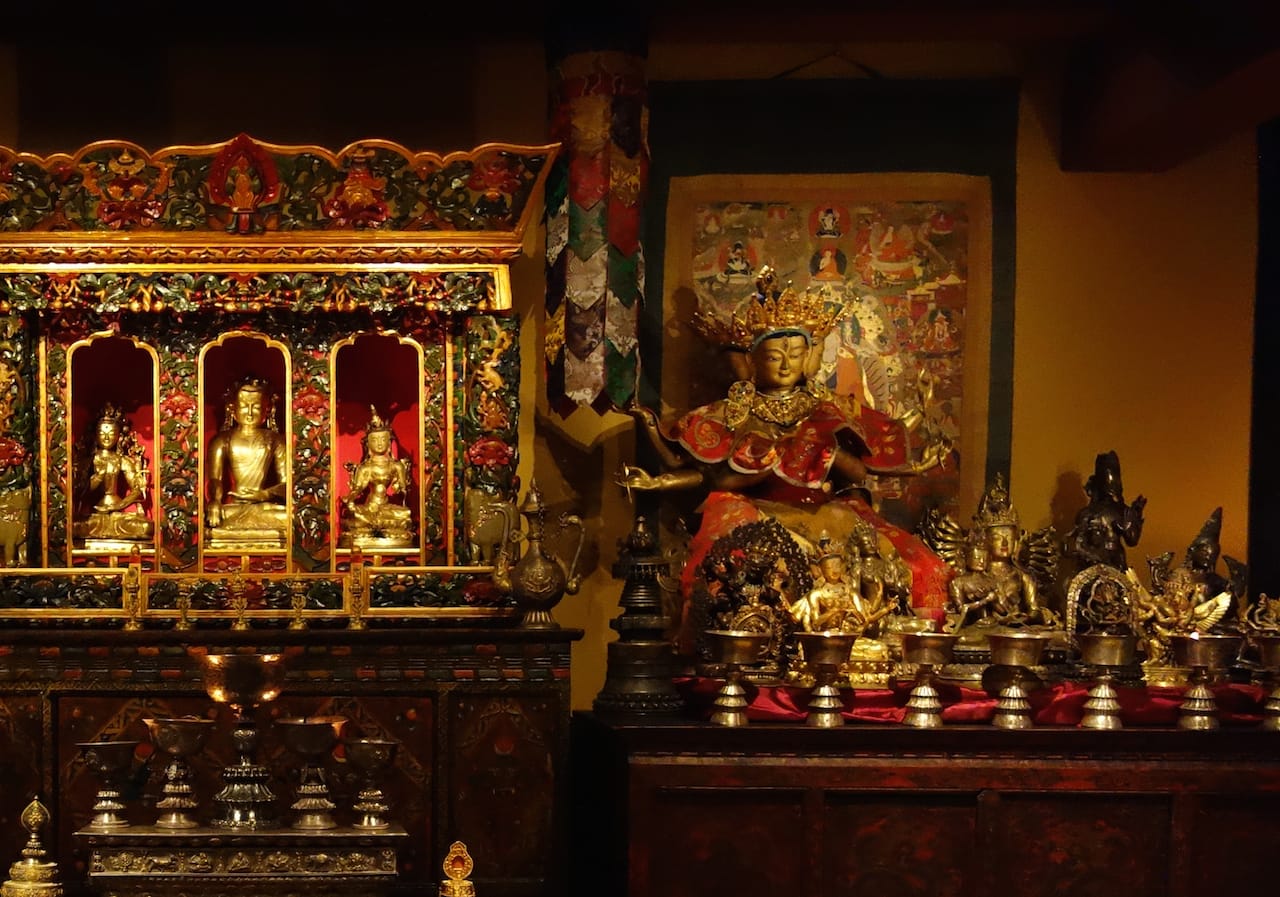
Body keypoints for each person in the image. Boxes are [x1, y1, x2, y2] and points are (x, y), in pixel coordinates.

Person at [618, 266, 953, 653]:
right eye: (775, 355)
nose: (785, 364)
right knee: (727, 560)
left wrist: (834, 452)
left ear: (809, 359)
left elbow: (875, 455)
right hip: (754, 508)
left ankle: (909, 646)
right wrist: (657, 479)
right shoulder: (734, 412)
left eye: (795, 354)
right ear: (752, 361)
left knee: (917, 562)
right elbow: (701, 471)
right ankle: (740, 649)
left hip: (826, 509)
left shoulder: (828, 409)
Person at [205, 376, 289, 546]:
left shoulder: (276, 440)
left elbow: (287, 483)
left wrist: (264, 494)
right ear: (232, 408)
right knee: (211, 518)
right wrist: (214, 501)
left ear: (268, 410)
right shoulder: (222, 440)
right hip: (233, 507)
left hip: (264, 506)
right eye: (244, 406)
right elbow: (215, 479)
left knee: (290, 517)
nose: (250, 412)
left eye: (256, 407)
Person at [75, 403, 154, 544]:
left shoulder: (122, 460)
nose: (106, 438)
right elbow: (80, 492)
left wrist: (119, 505)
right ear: (95, 435)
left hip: (117, 514)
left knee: (145, 527)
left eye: (111, 434)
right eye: (102, 434)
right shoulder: (89, 461)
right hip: (95, 514)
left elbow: (138, 491)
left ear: (119, 436)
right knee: (74, 526)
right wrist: (97, 478)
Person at [341, 406, 414, 548]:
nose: (379, 443)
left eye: (383, 439)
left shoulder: (396, 466)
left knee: (406, 514)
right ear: (368, 444)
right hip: (370, 508)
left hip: (386, 508)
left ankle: (377, 527)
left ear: (389, 443)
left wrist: (402, 487)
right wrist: (350, 500)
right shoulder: (366, 467)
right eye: (375, 440)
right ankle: (372, 527)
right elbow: (358, 489)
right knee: (356, 517)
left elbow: (402, 491)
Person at [1064, 450, 1145, 571]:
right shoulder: (1088, 514)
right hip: (1095, 564)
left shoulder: (1122, 510)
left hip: (1118, 562)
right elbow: (1077, 544)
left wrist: (1132, 522)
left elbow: (1132, 541)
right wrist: (1095, 556)